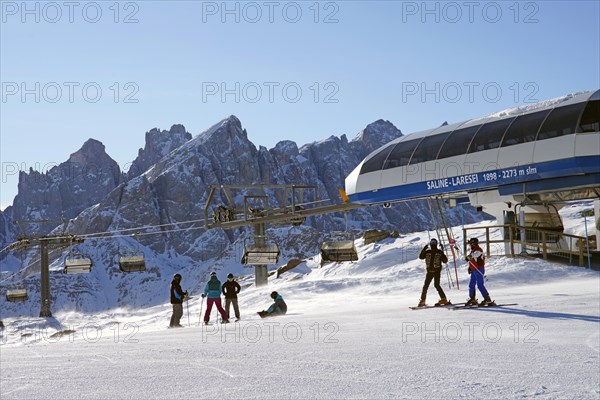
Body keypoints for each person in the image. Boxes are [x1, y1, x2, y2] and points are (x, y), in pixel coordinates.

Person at [417, 238, 449, 307]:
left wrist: (424, 249)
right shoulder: (437, 252)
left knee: (426, 286)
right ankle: (443, 299)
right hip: (434, 271)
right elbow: (445, 261)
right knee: (435, 285)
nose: (433, 244)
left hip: (432, 272)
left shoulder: (430, 252)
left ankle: (423, 300)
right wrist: (442, 253)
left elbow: (420, 257)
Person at [465, 237, 495, 306]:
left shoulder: (479, 250)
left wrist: (469, 257)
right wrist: (470, 267)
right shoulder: (473, 250)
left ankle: (487, 299)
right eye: (470, 244)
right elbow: (473, 260)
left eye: (471, 244)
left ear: (475, 244)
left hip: (479, 269)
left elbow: (475, 255)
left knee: (480, 285)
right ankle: (472, 298)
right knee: (471, 285)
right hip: (474, 270)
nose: (470, 246)